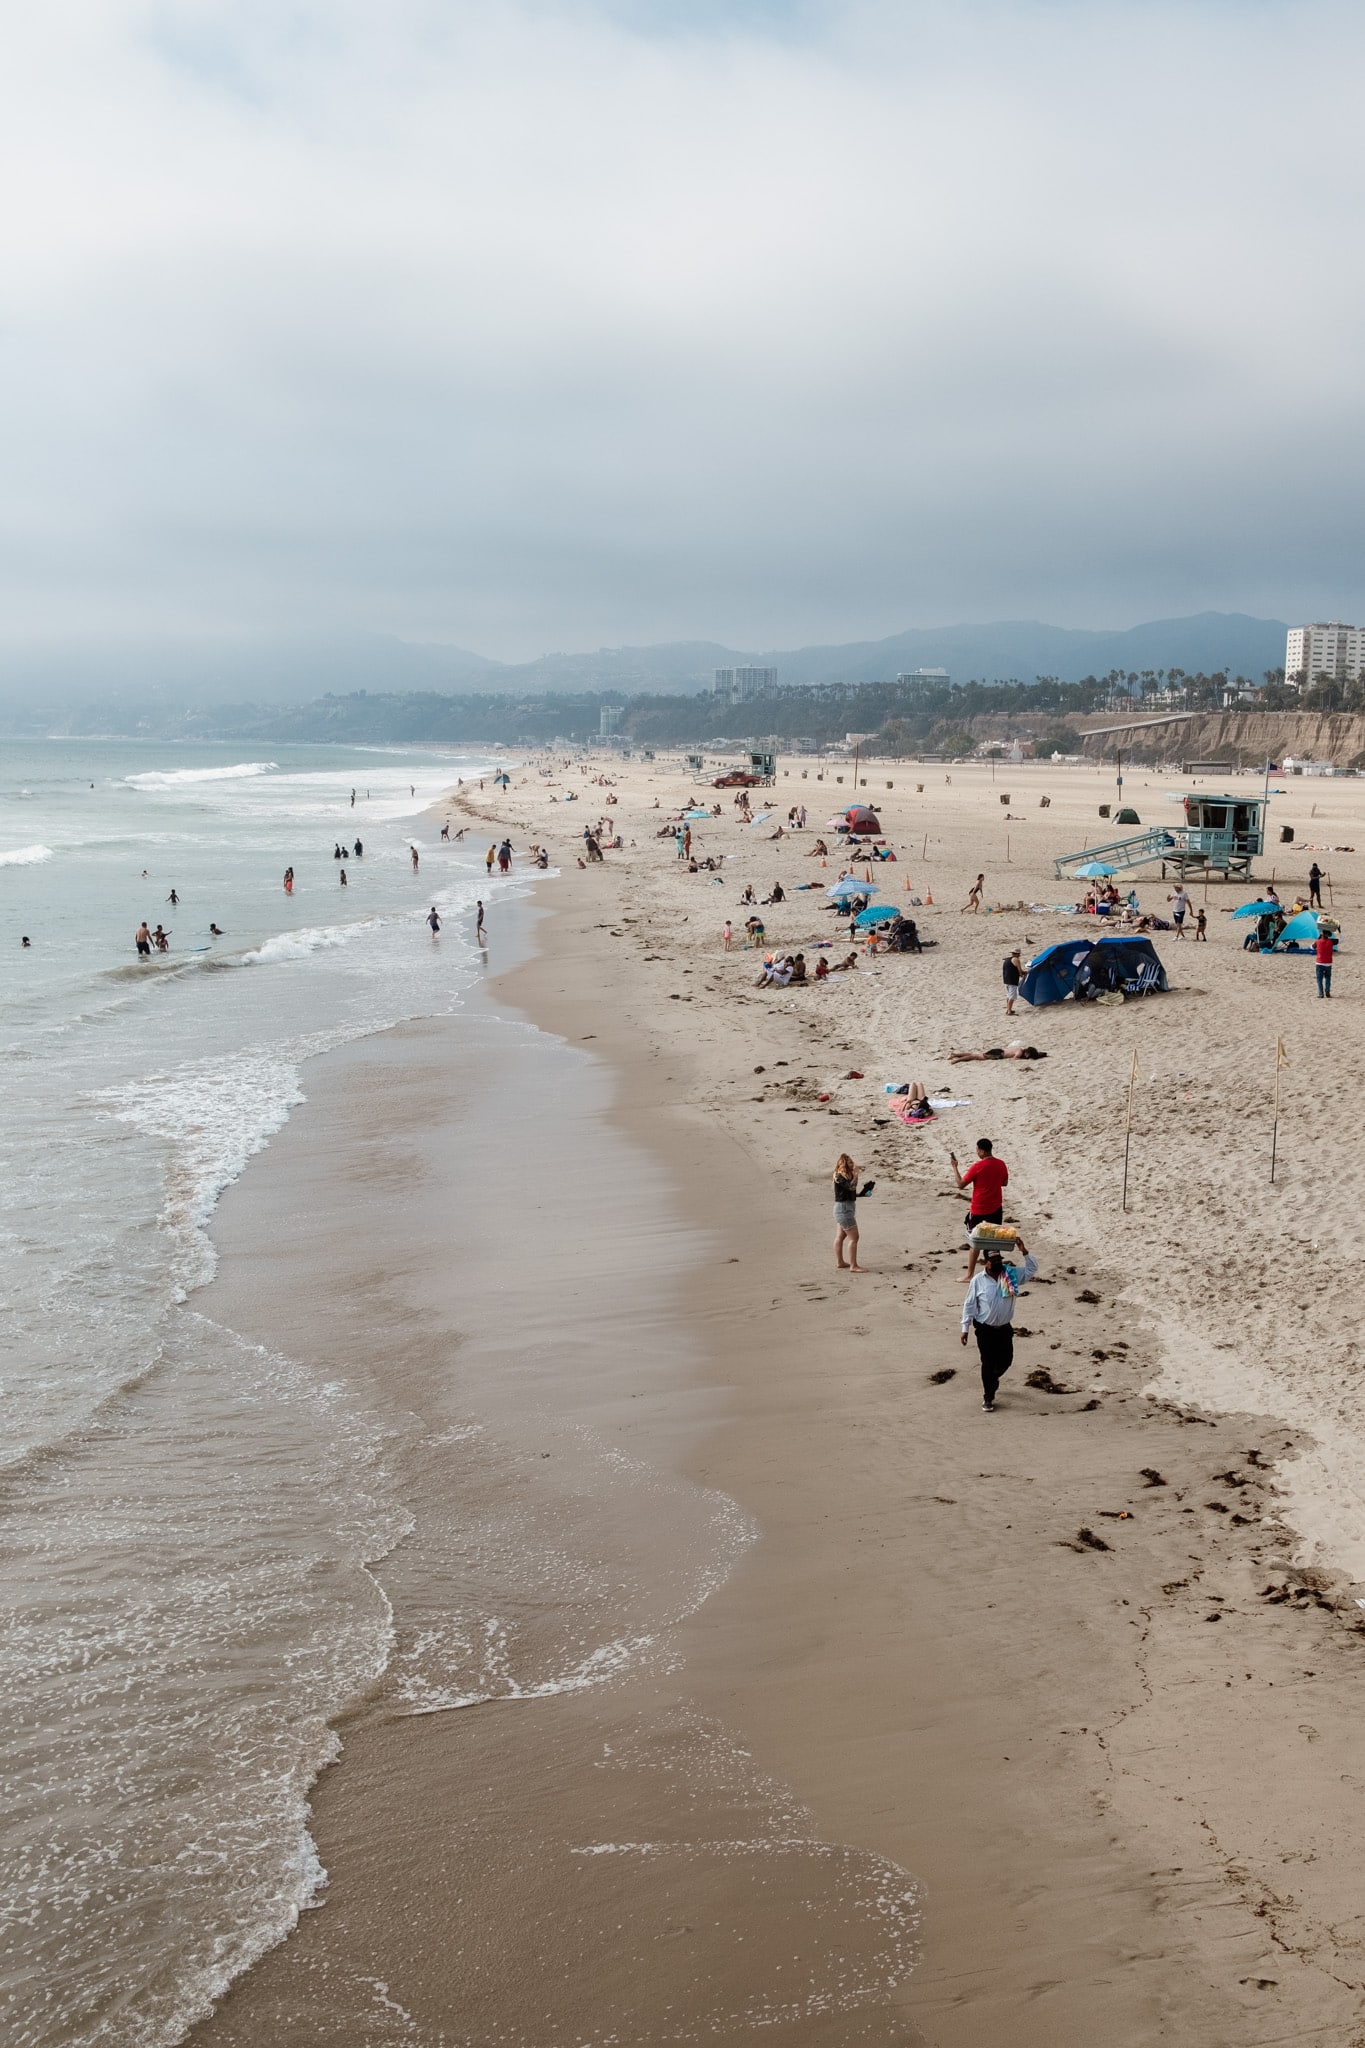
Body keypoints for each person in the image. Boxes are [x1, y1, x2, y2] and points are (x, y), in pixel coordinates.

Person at [960, 1239, 1037, 1410]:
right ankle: (988, 1397)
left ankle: (992, 1379)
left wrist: (1024, 1251)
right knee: (987, 1363)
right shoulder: (978, 1281)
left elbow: (1031, 1270)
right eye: (993, 1261)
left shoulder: (1010, 1274)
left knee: (1006, 1360)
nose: (997, 1263)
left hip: (1004, 1329)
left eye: (999, 1260)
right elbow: (970, 1304)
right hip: (985, 1329)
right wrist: (965, 1328)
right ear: (985, 1262)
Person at [950, 1137, 1010, 1280]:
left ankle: (969, 1275)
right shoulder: (1001, 1164)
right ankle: (996, 1274)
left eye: (977, 1150)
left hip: (979, 1210)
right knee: (993, 1242)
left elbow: (960, 1184)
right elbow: (1005, 1182)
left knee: (975, 1242)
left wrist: (954, 1167)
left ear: (982, 1151)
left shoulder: (977, 1166)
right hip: (996, 1208)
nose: (977, 1152)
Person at [833, 1152, 874, 1272]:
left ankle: (840, 1262)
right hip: (844, 1210)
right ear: (845, 1164)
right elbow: (851, 1187)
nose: (853, 1164)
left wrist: (862, 1194)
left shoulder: (845, 1176)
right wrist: (856, 1174)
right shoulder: (839, 1176)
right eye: (850, 1162)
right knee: (854, 1238)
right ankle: (853, 1266)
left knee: (840, 1236)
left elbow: (848, 1192)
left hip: (844, 1208)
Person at [949, 1043, 1046, 1061]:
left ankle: (955, 1054)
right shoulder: (1020, 1052)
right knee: (975, 1057)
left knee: (974, 1055)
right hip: (998, 1054)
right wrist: (1025, 1061)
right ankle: (956, 1060)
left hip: (999, 1051)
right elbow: (1015, 1058)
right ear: (1027, 1053)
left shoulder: (1020, 1048)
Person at [1315, 922, 1335, 998]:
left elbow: (1312, 947)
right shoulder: (1331, 942)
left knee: (1319, 979)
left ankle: (1321, 993)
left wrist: (1318, 938)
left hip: (1319, 962)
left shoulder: (1318, 941)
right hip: (1328, 963)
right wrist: (1339, 932)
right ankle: (1327, 992)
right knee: (1328, 978)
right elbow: (1341, 940)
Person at [1003, 947, 1023, 1015]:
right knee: (1012, 996)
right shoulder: (1016, 959)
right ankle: (1009, 1011)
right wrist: (1024, 973)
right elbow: (1020, 971)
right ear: (1017, 954)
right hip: (1012, 980)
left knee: (1009, 995)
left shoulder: (1007, 959)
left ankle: (1008, 1009)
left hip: (1006, 979)